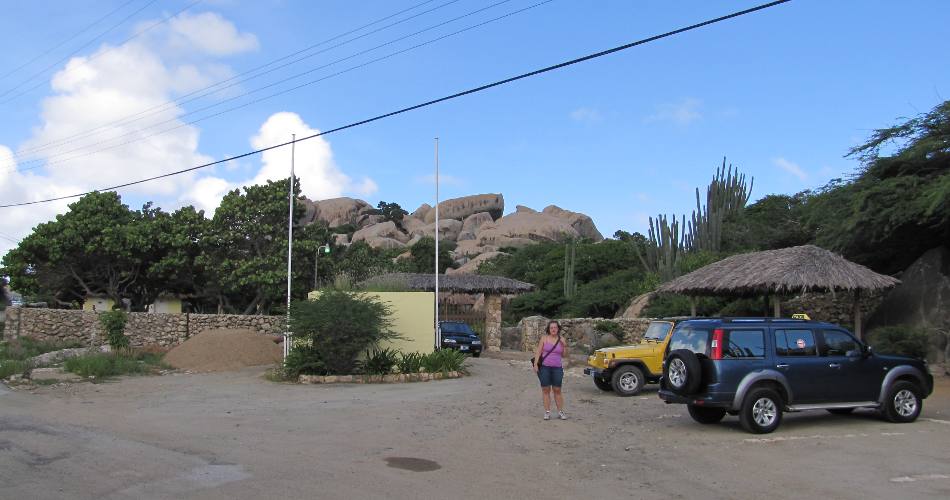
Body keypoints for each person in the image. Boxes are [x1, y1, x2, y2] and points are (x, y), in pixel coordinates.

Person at [532, 320, 568, 420]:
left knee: (557, 390)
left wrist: (564, 345)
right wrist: (535, 364)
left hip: (557, 368)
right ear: (549, 329)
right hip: (544, 367)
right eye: (551, 327)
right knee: (545, 389)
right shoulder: (544, 338)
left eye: (555, 327)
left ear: (558, 329)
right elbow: (538, 351)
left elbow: (565, 355)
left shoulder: (562, 339)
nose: (553, 329)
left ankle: (560, 411)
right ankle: (547, 412)